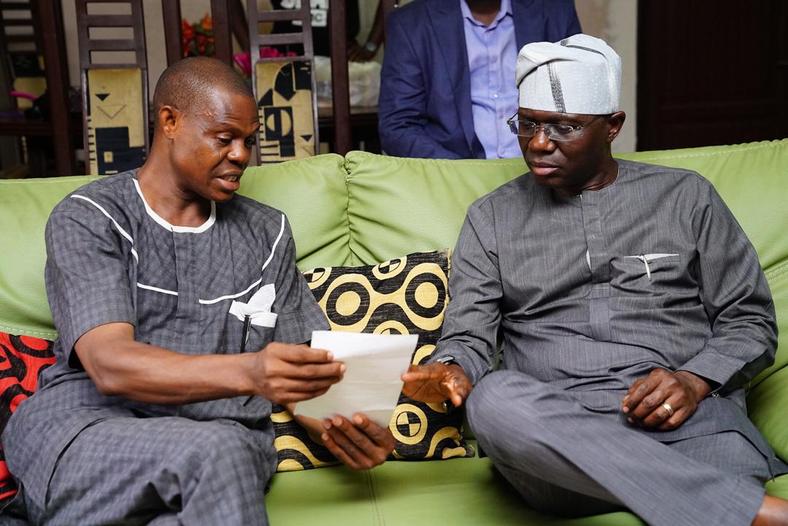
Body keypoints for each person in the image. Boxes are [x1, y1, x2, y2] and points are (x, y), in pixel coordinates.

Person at [402, 34, 788, 525]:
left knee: (717, 448)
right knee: (494, 400)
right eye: (528, 124)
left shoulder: (686, 198)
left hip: (690, 431)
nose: (539, 143)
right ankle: (746, 512)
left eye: (564, 127)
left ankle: (702, 502)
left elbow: (751, 321)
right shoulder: (491, 218)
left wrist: (693, 381)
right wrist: (452, 367)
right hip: (560, 452)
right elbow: (469, 336)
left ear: (612, 127)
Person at [2, 57, 394, 524]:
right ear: (170, 121)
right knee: (219, 452)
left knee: (217, 467)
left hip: (218, 448)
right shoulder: (92, 217)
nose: (242, 155)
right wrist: (251, 371)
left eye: (249, 141)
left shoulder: (267, 233)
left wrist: (348, 424)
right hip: (91, 428)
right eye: (224, 138)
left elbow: (301, 364)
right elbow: (108, 365)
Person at [378, 0, 580, 159]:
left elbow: (579, 105)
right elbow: (398, 125)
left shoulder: (556, 11)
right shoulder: (411, 23)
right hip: (453, 174)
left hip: (541, 168)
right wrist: (460, 172)